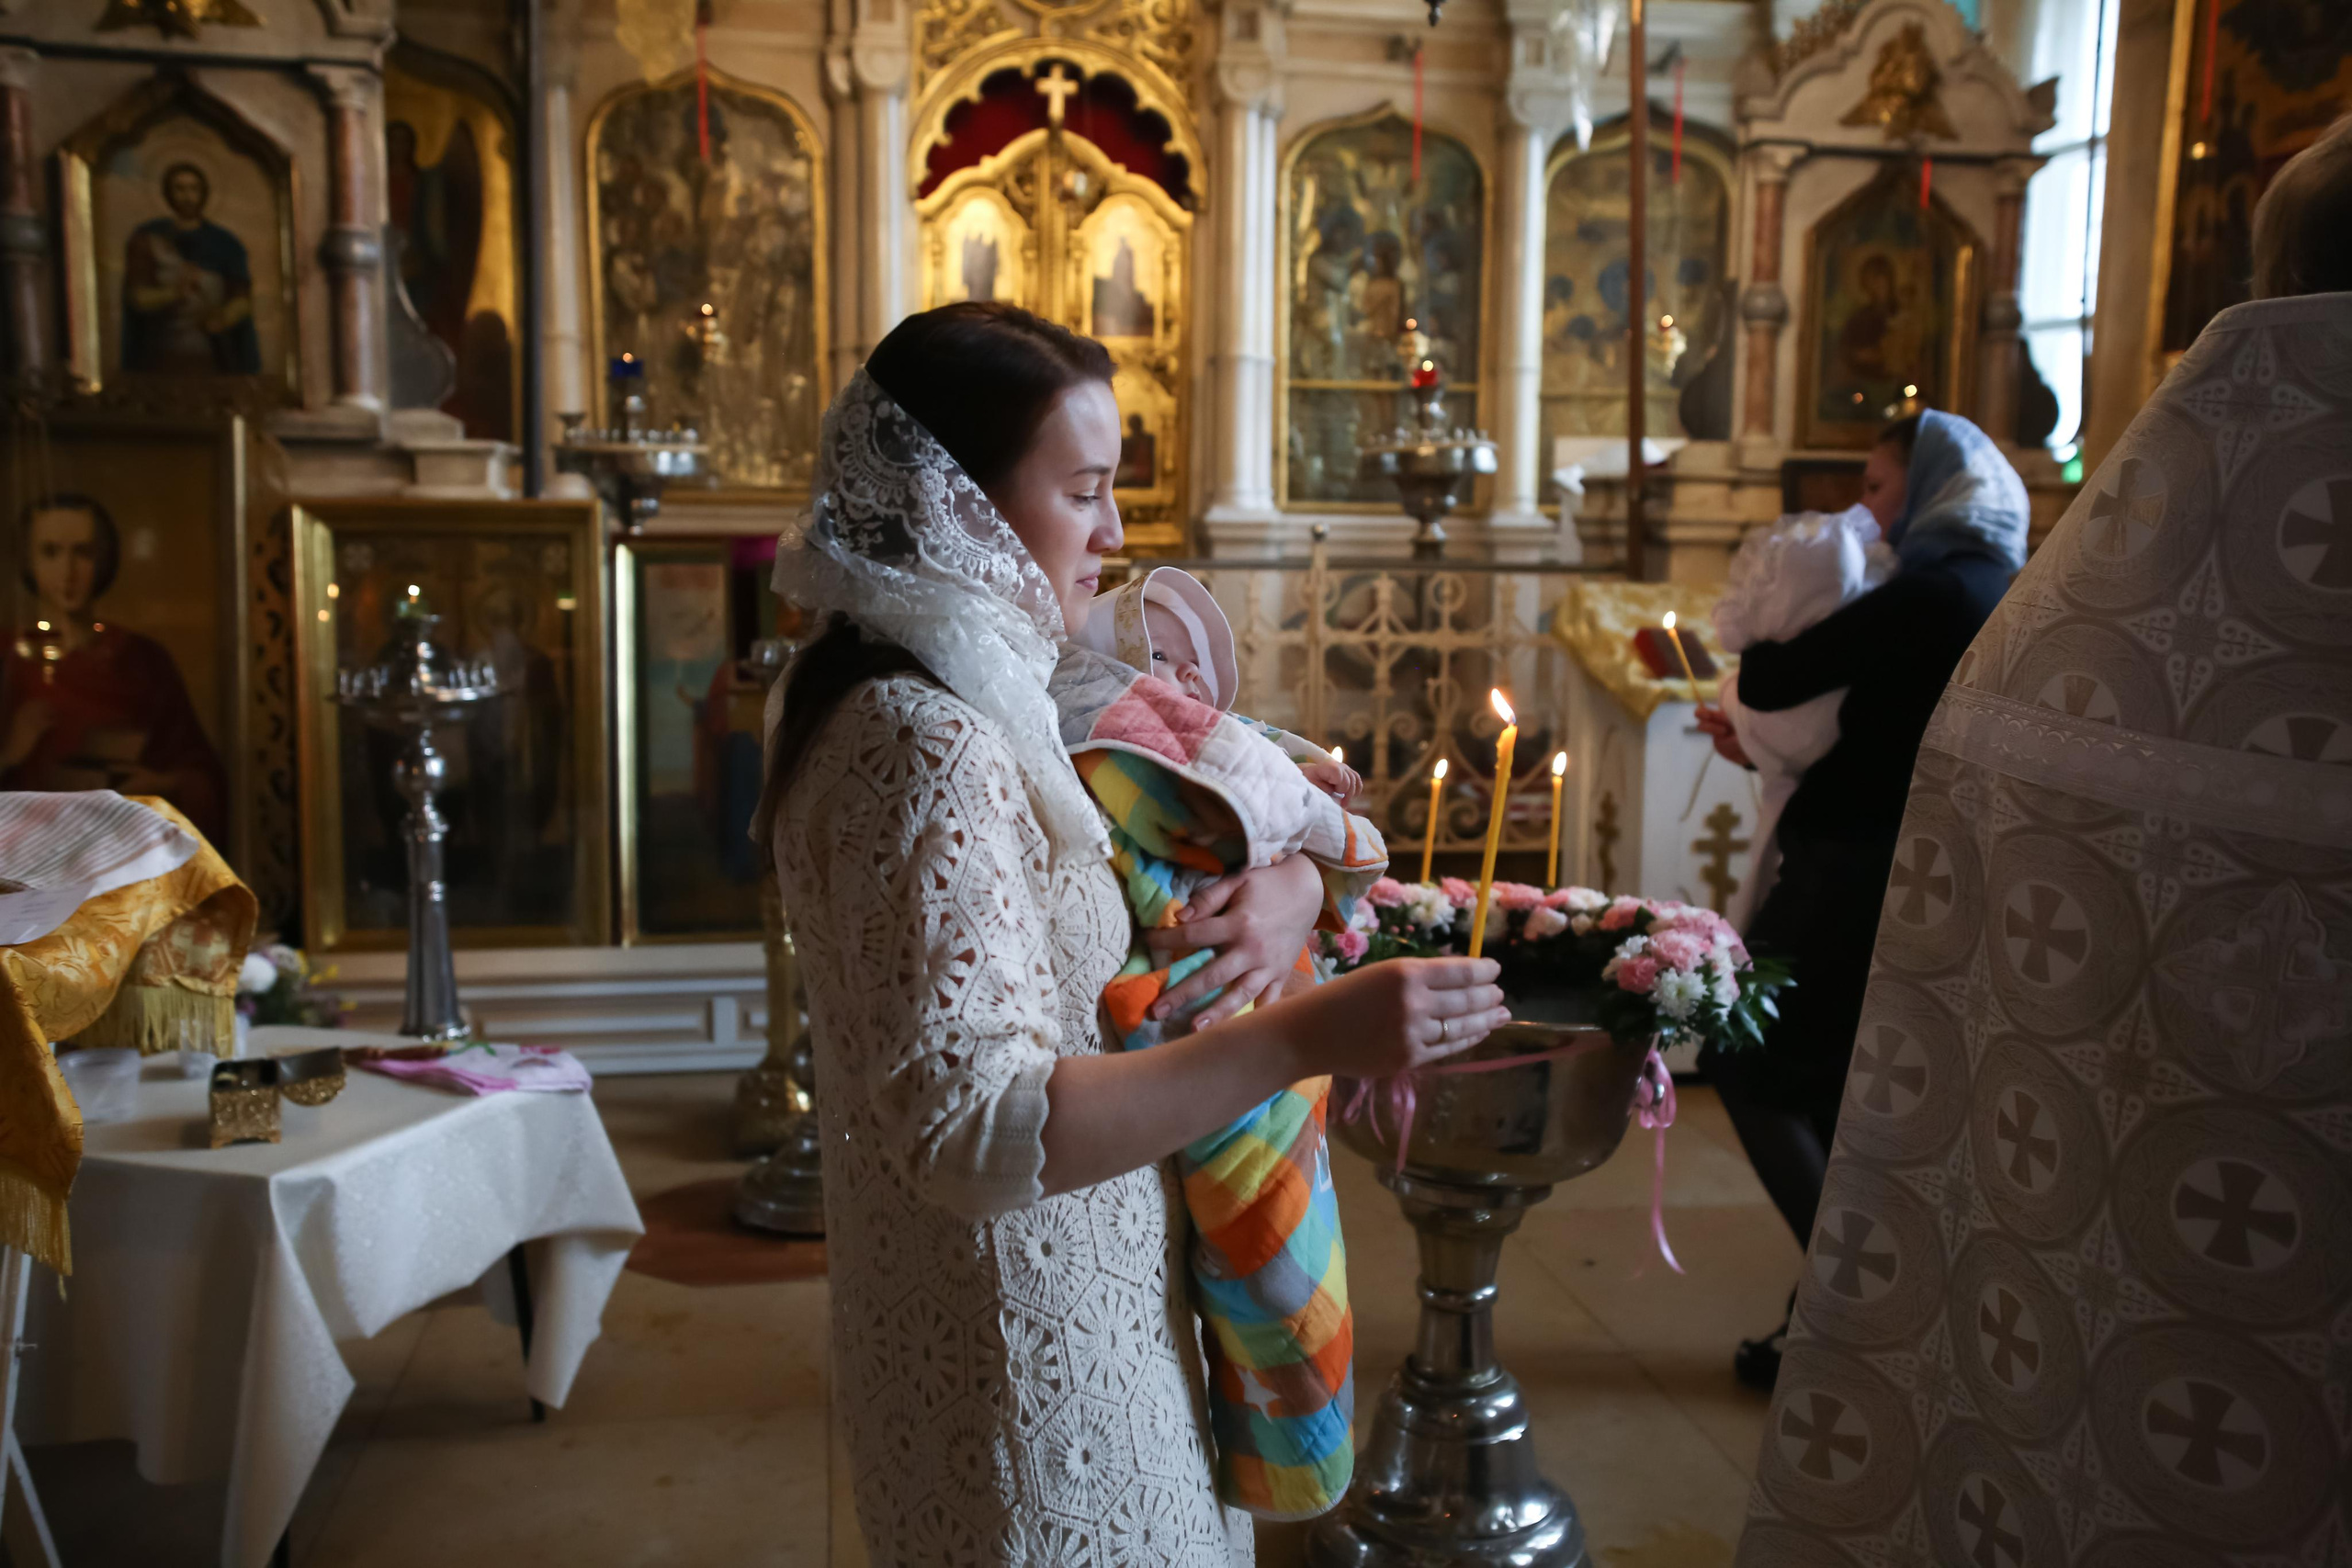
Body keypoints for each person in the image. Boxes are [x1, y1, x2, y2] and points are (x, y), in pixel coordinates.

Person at [757, 301, 1510, 1566]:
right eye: (1085, 491)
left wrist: (1291, 891)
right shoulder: (925, 735)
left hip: (1087, 1307)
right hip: (1032, 1359)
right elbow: (970, 1128)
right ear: (964, 506)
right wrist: (1310, 1030)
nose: (1114, 536)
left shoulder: (968, 678)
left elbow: (1141, 861)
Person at [1732, 111, 2352, 1568]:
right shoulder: (2027, 586)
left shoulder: (2080, 608)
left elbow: (1787, 691)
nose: (1865, 506)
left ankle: (1827, 1276)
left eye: (1882, 485)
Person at [1692, 408, 2028, 1390]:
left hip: (1853, 870)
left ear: (1934, 489)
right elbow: (1878, 727)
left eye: (1880, 489)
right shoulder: (1992, 582)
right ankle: (1833, 1319)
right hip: (1907, 866)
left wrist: (1764, 631)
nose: (1865, 514)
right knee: (1839, 1090)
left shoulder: (1935, 588)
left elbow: (1778, 668)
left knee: (1745, 1065)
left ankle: (1846, 1304)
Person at [1, 492, 230, 846]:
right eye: (50, 552)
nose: (68, 571)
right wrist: (10, 755)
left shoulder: (142, 659)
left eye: (83, 552)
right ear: (28, 560)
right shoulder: (7, 656)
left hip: (121, 856)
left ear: (103, 558)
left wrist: (160, 785)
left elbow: (201, 776)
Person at [120, 163, 261, 376]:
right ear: (168, 192)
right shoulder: (148, 239)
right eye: (180, 189)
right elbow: (137, 297)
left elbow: (241, 297)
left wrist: (222, 318)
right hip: (162, 350)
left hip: (212, 350)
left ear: (203, 193)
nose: (187, 197)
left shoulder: (224, 242)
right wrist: (175, 292)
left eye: (194, 189)